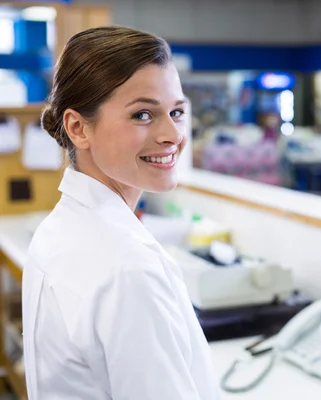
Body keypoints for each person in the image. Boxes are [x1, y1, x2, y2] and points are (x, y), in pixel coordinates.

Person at [22, 26, 220, 399]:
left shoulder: (60, 229)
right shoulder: (128, 270)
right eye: (143, 114)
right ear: (78, 128)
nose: (173, 135)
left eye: (176, 111)